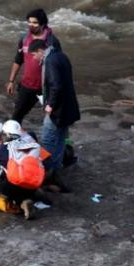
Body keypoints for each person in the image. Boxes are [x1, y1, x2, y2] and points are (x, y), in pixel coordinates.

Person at [28, 38, 79, 193]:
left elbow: (56, 85)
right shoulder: (61, 56)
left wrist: (50, 105)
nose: (34, 59)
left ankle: (46, 176)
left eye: (34, 55)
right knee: (61, 140)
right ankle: (56, 171)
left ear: (39, 51)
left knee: (48, 141)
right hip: (68, 108)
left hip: (57, 110)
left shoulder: (50, 61)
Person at [6, 8, 61, 124]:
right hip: (27, 86)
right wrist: (11, 81)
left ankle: (63, 141)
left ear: (43, 24)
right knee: (16, 117)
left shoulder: (52, 42)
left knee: (56, 117)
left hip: (45, 88)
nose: (31, 25)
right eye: (29, 22)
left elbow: (58, 65)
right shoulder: (24, 39)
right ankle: (14, 139)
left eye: (35, 23)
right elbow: (18, 60)